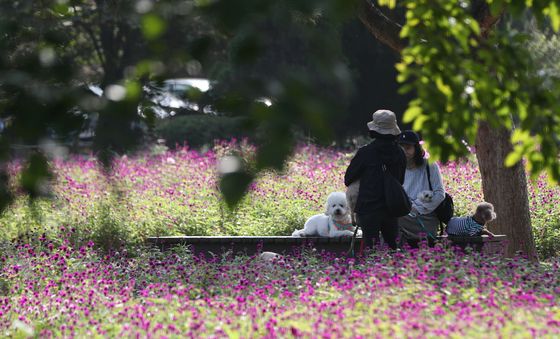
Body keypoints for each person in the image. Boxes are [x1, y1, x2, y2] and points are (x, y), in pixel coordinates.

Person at [344, 109, 406, 251]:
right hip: (392, 208)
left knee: (370, 250)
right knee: (392, 248)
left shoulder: (366, 152)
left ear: (374, 130)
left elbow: (348, 179)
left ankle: (370, 273)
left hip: (368, 209)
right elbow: (400, 180)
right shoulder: (400, 153)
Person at [397, 130, 446, 247]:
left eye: (408, 147)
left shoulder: (430, 166)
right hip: (403, 214)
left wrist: (416, 207)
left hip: (425, 218)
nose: (404, 151)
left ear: (416, 149)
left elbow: (439, 194)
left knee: (392, 219)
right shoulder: (396, 168)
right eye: (401, 147)